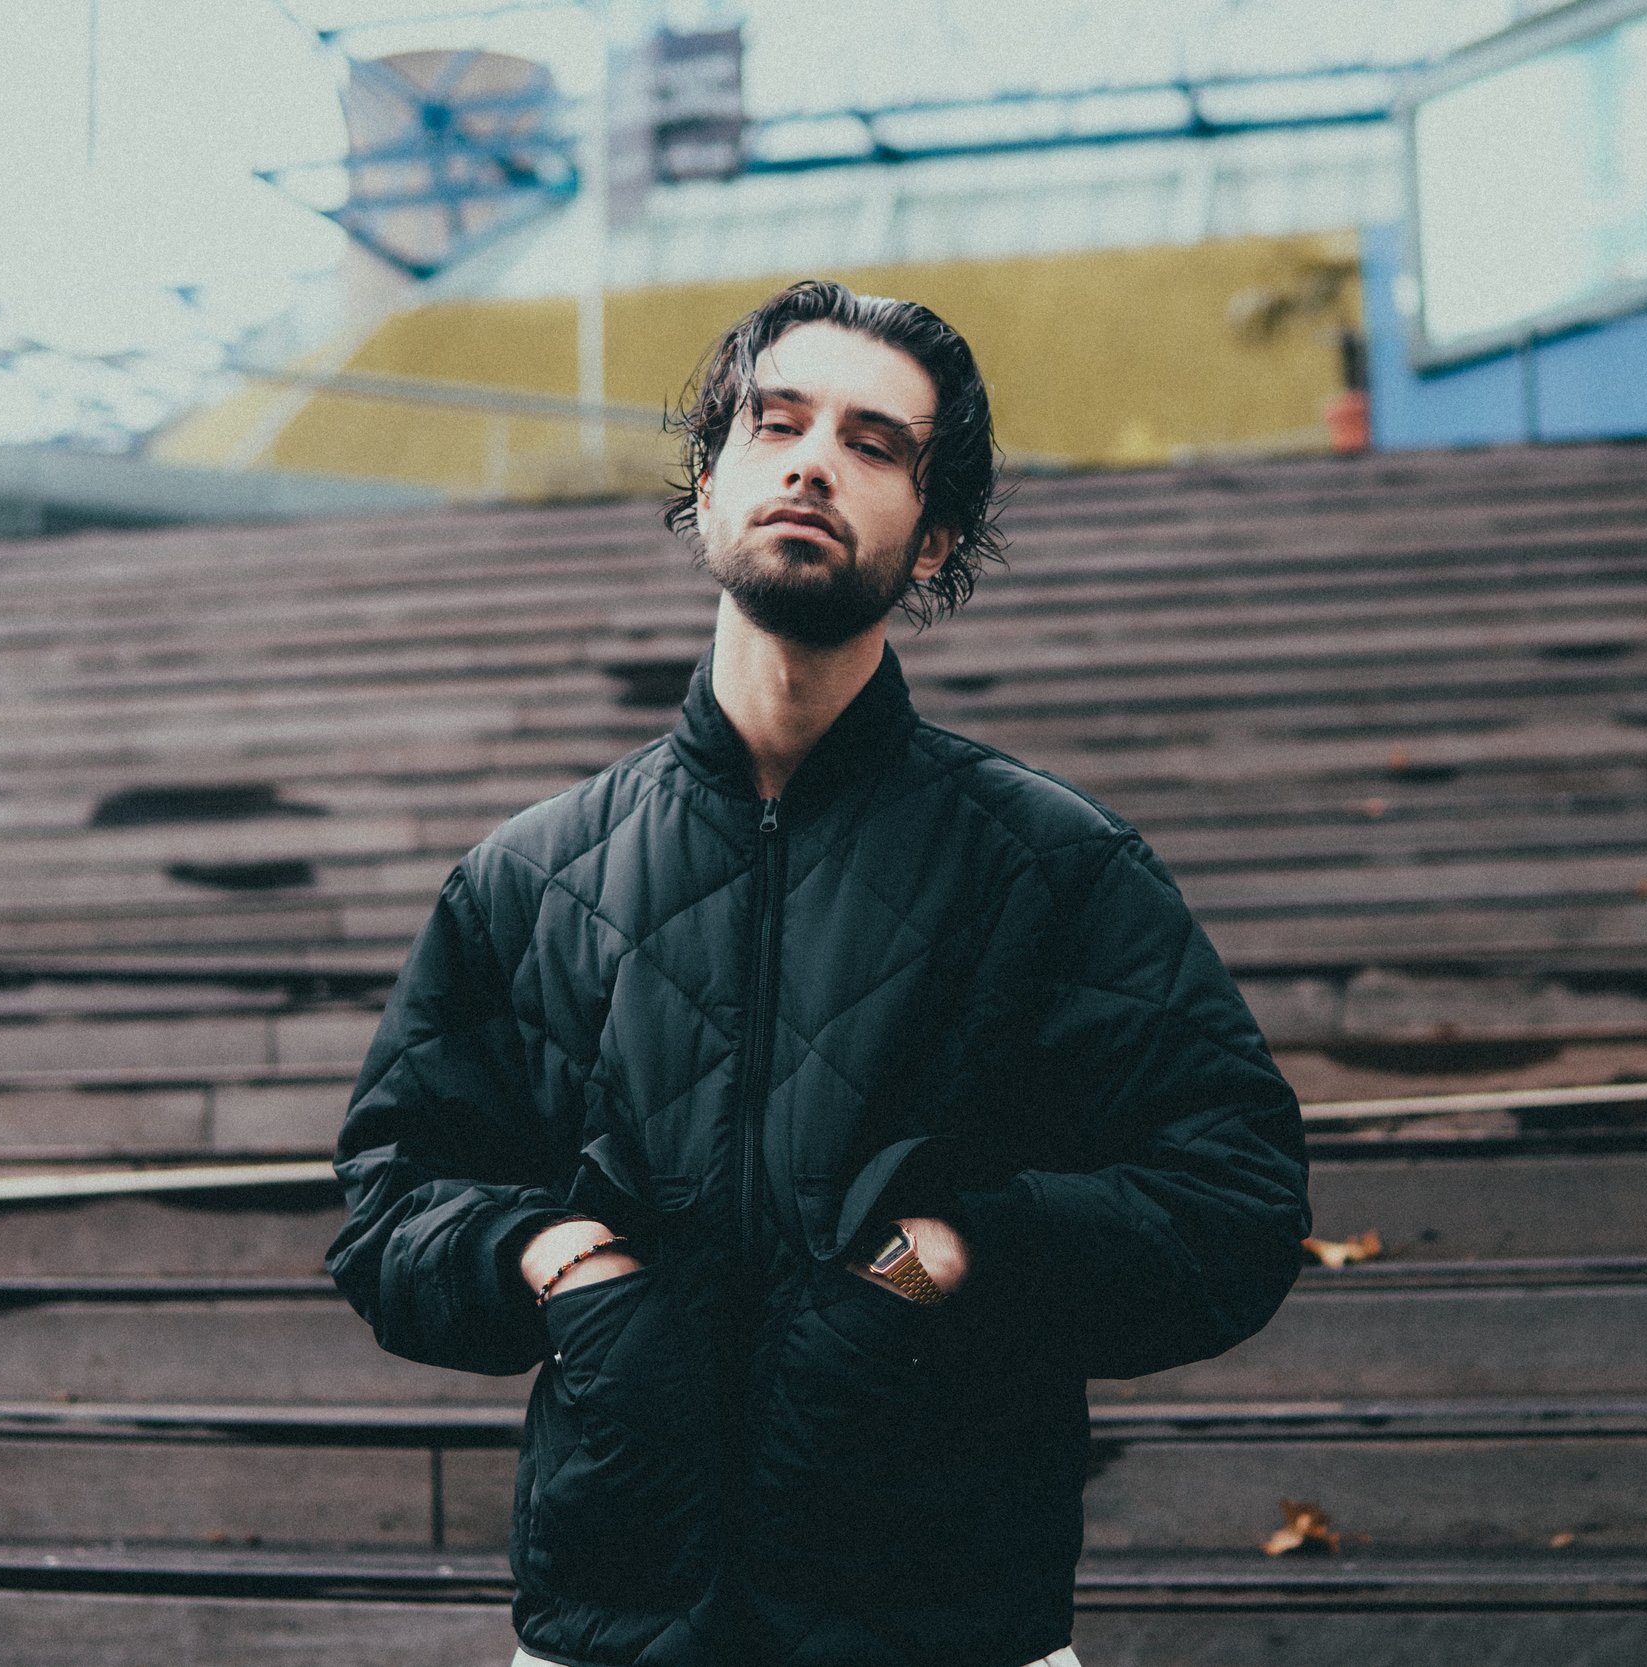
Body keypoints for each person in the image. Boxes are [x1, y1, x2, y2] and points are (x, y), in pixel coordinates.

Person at [328, 279, 1311, 1667]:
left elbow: (1234, 1200)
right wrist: (559, 1263)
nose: (810, 461)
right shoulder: (528, 879)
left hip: (947, 1621)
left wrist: (952, 1254)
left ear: (935, 539)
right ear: (713, 477)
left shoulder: (1055, 869)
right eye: (775, 422)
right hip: (616, 1620)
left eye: (873, 442)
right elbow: (389, 1202)